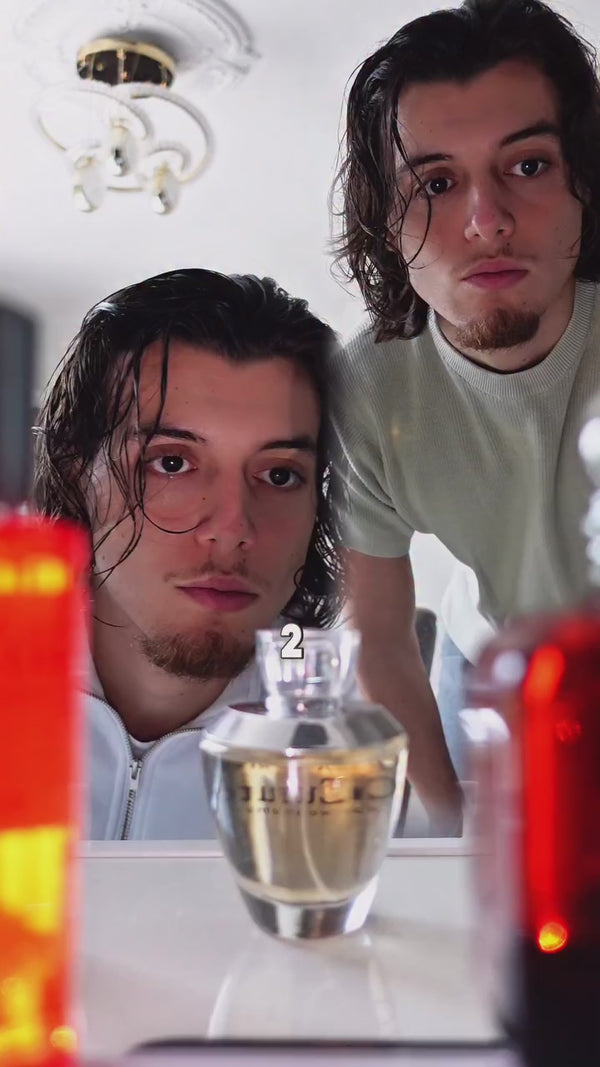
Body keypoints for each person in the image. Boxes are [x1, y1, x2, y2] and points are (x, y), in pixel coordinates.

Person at [331, 0, 600, 834]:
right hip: (480, 659)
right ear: (388, 223)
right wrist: (452, 830)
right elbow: (379, 632)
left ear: (586, 183)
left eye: (529, 165)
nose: (488, 221)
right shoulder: (366, 389)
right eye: (437, 184)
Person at [33, 269, 345, 839]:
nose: (232, 530)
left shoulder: (353, 757)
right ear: (78, 473)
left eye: (280, 474)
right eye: (172, 463)